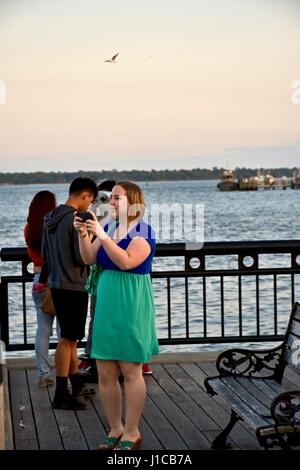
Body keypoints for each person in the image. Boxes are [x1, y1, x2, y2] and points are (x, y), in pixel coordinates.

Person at [74, 181, 159, 450]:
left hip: (131, 303)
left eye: (117, 198)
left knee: (131, 369)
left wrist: (101, 232)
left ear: (133, 201)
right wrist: (84, 234)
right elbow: (88, 259)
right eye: (111, 198)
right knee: (105, 371)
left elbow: (125, 261)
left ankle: (132, 432)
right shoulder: (109, 227)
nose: (111, 202)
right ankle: (115, 428)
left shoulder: (144, 232)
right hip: (107, 302)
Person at [41, 177, 98, 410]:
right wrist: (92, 238)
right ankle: (60, 395)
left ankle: (75, 385)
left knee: (70, 338)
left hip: (56, 283)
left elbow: (45, 253)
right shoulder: (77, 219)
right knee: (67, 341)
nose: (90, 206)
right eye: (91, 200)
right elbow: (81, 257)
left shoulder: (50, 217)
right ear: (84, 195)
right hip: (74, 284)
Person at [24, 190, 57, 387]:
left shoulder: (29, 228)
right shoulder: (54, 227)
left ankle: (43, 375)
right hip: (57, 280)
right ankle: (67, 375)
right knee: (64, 333)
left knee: (42, 331)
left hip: (38, 280)